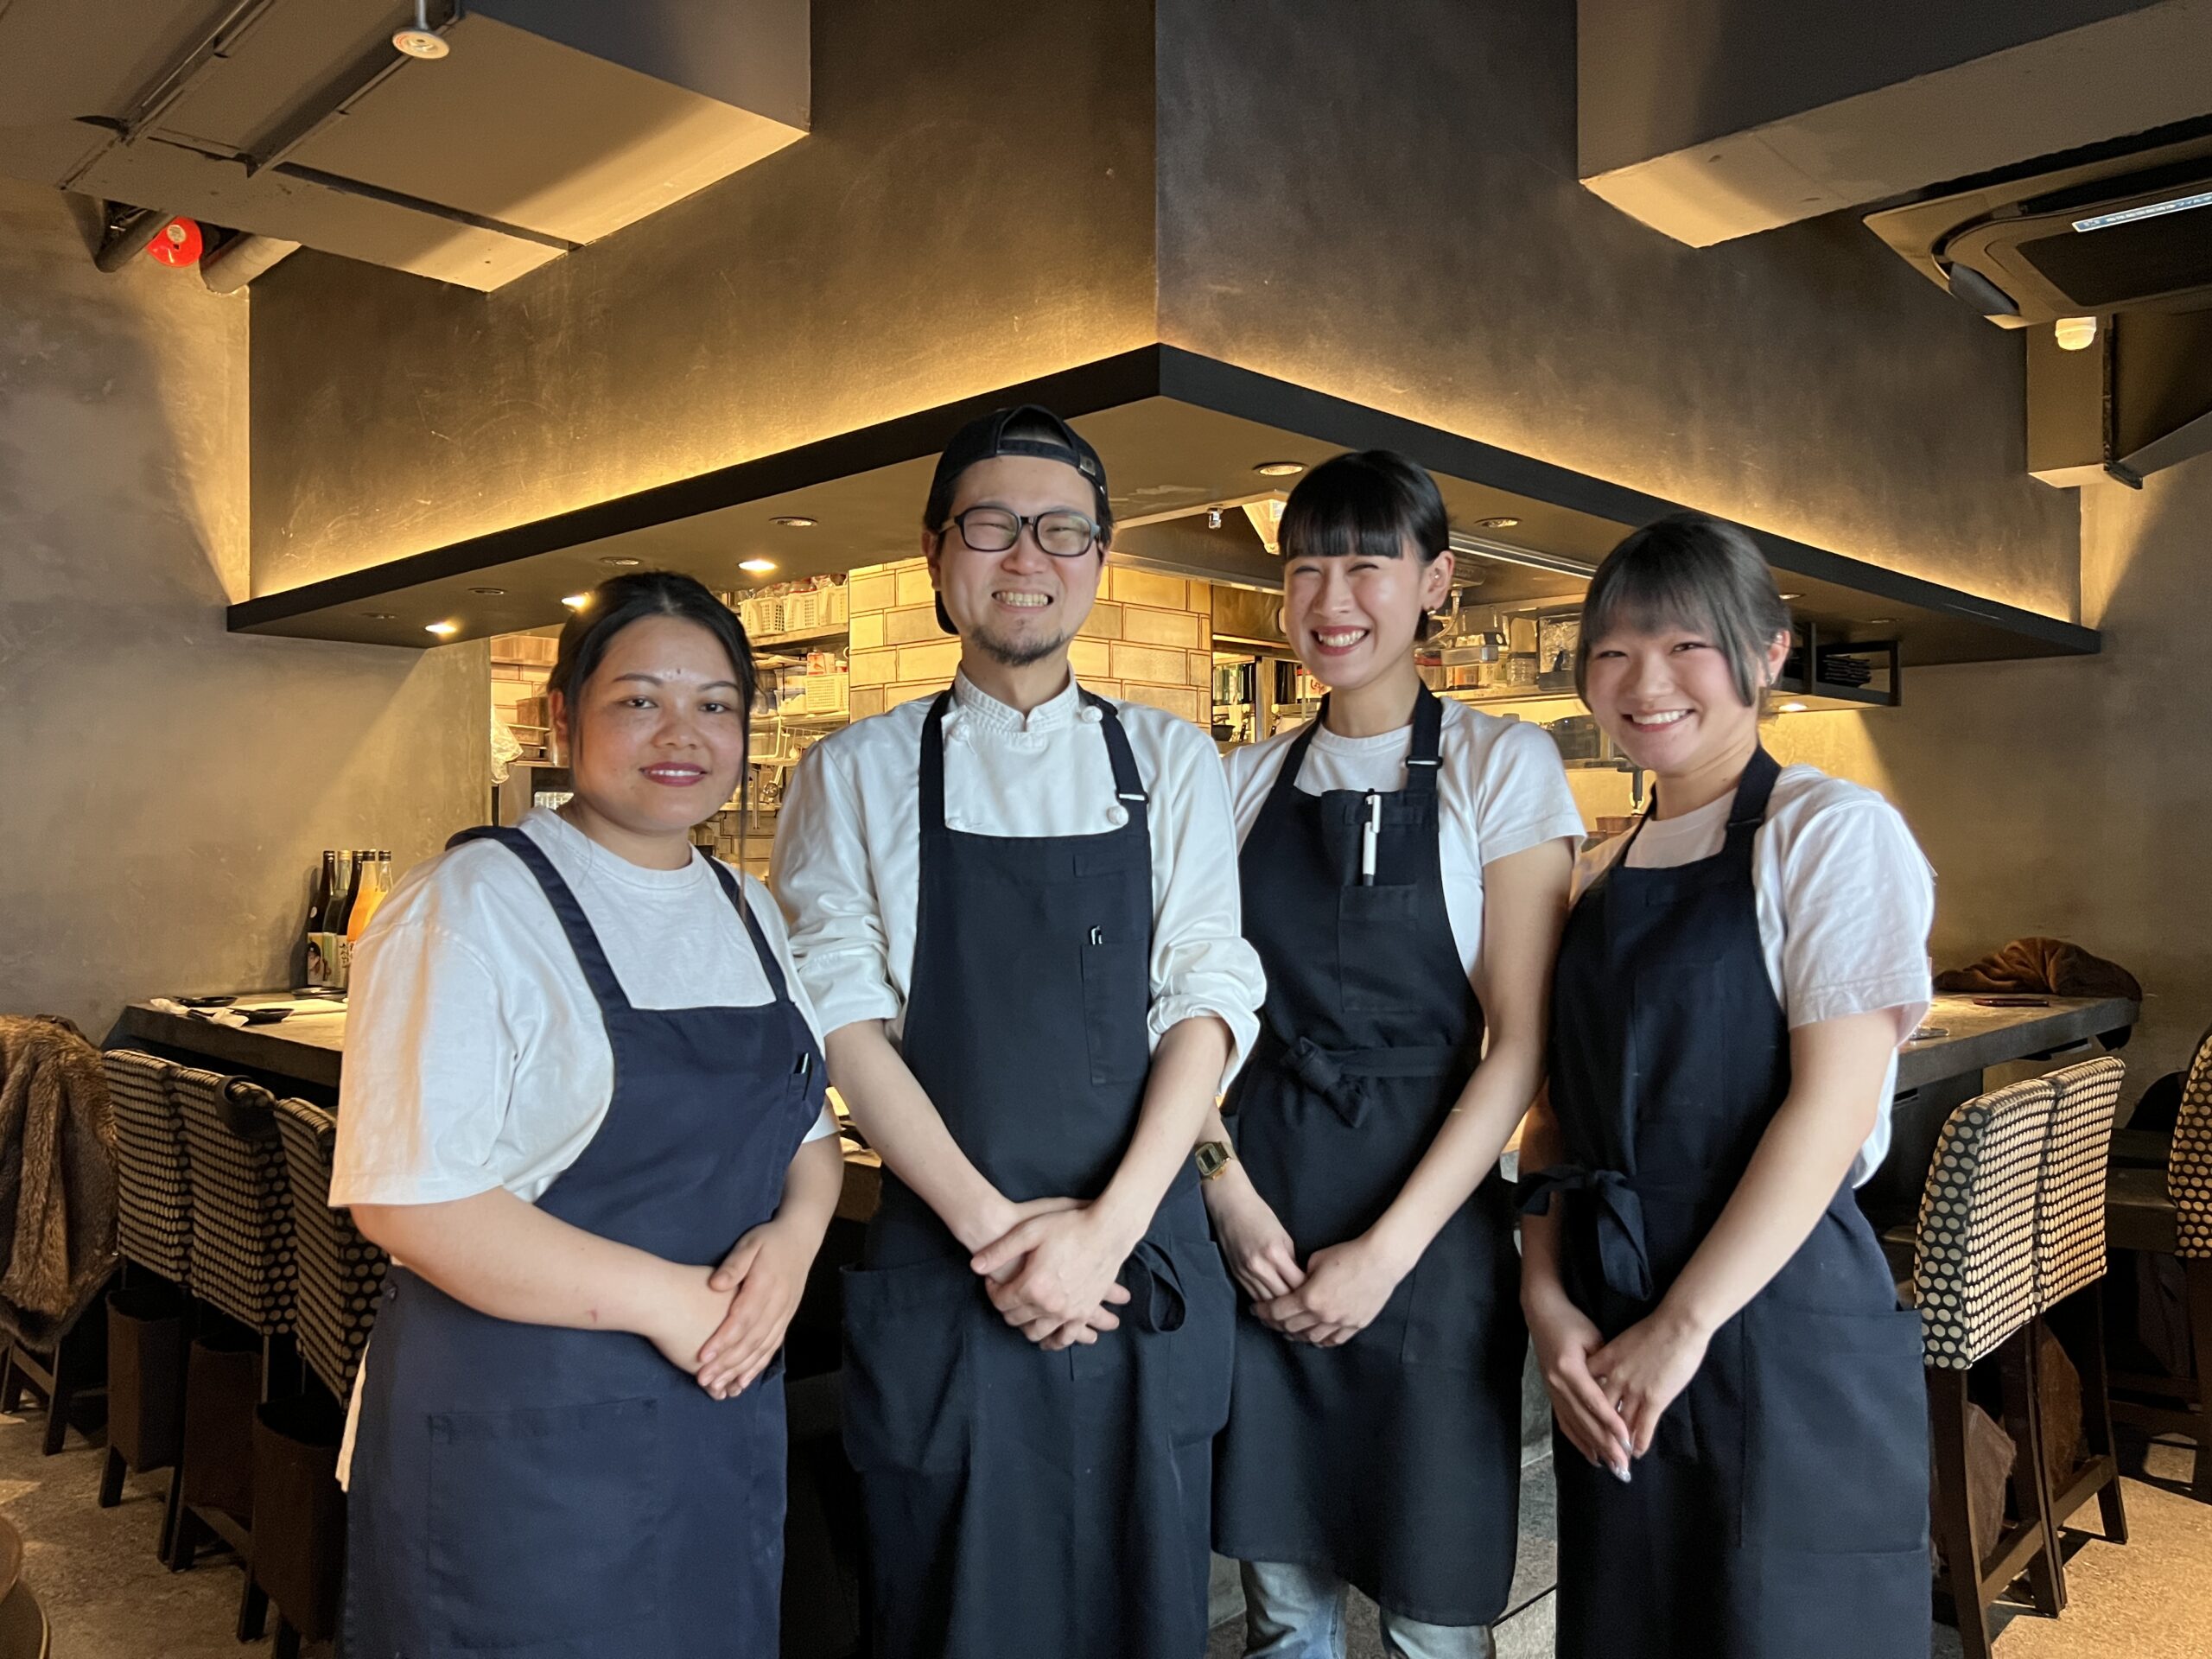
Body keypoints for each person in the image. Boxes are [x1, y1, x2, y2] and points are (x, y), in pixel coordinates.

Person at [772, 405, 1265, 1659]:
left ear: (1099, 557)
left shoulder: (1174, 762)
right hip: (951, 1269)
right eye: (992, 526)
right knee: (950, 1612)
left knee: (1141, 1612)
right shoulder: (853, 772)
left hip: (1136, 1264)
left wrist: (1102, 1235)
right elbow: (841, 1020)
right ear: (937, 551)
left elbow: (1206, 1003)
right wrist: (1003, 1241)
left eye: (1062, 531)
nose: (1027, 557)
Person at [333, 571, 844, 1658]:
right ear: (564, 716)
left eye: (714, 704)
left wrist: (796, 1243)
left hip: (713, 1420)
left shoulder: (746, 908)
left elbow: (807, 1137)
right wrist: (672, 1302)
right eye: (639, 699)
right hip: (522, 1445)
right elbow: (410, 1203)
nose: (682, 733)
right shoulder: (468, 902)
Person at [1517, 513, 1935, 1658]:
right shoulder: (1594, 872)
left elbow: (1831, 1108)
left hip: (1777, 1313)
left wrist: (1684, 1324)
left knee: (1784, 1626)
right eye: (1613, 652)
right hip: (1609, 1321)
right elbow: (1554, 1120)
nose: (1645, 682)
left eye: (1685, 646)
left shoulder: (1828, 833)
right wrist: (1546, 1304)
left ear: (1767, 652)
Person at [1203, 452, 1580, 1659]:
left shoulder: (1502, 765)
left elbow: (1520, 1045)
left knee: (1432, 1619)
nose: (1332, 600)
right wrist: (1229, 1205)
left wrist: (1384, 1255)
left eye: (1367, 564)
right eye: (1306, 570)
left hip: (1429, 1232)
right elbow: (1187, 1028)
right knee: (1283, 1615)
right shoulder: (1238, 781)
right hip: (1265, 1213)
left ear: (1436, 581)